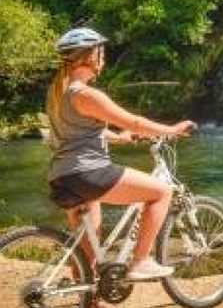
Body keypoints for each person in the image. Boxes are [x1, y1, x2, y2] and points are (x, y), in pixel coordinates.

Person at [45, 27, 195, 285]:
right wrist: (171, 130)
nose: (103, 57)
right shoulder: (86, 94)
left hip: (63, 177)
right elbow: (135, 121)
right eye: (100, 52)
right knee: (162, 193)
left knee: (88, 252)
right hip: (89, 173)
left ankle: (89, 299)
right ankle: (141, 262)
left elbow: (79, 133)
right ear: (90, 56)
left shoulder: (57, 93)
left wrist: (121, 137)